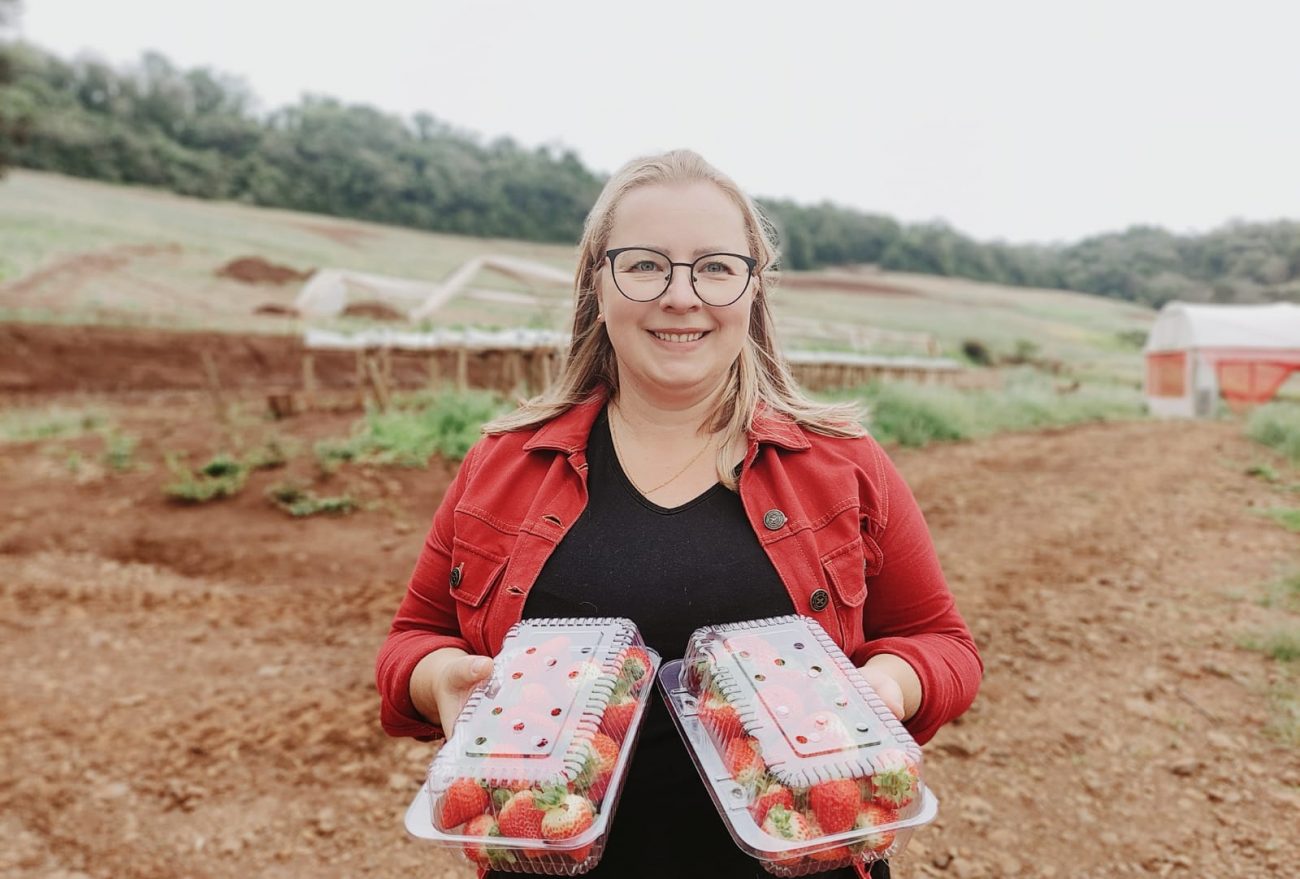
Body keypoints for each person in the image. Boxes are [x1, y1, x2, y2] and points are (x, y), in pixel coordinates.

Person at [375, 149, 982, 878]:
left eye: (716, 267)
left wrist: (888, 685)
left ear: (754, 290)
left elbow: (940, 641)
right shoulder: (503, 464)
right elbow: (413, 639)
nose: (680, 295)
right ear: (597, 284)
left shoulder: (843, 464)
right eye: (645, 265)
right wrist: (440, 677)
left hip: (804, 854)